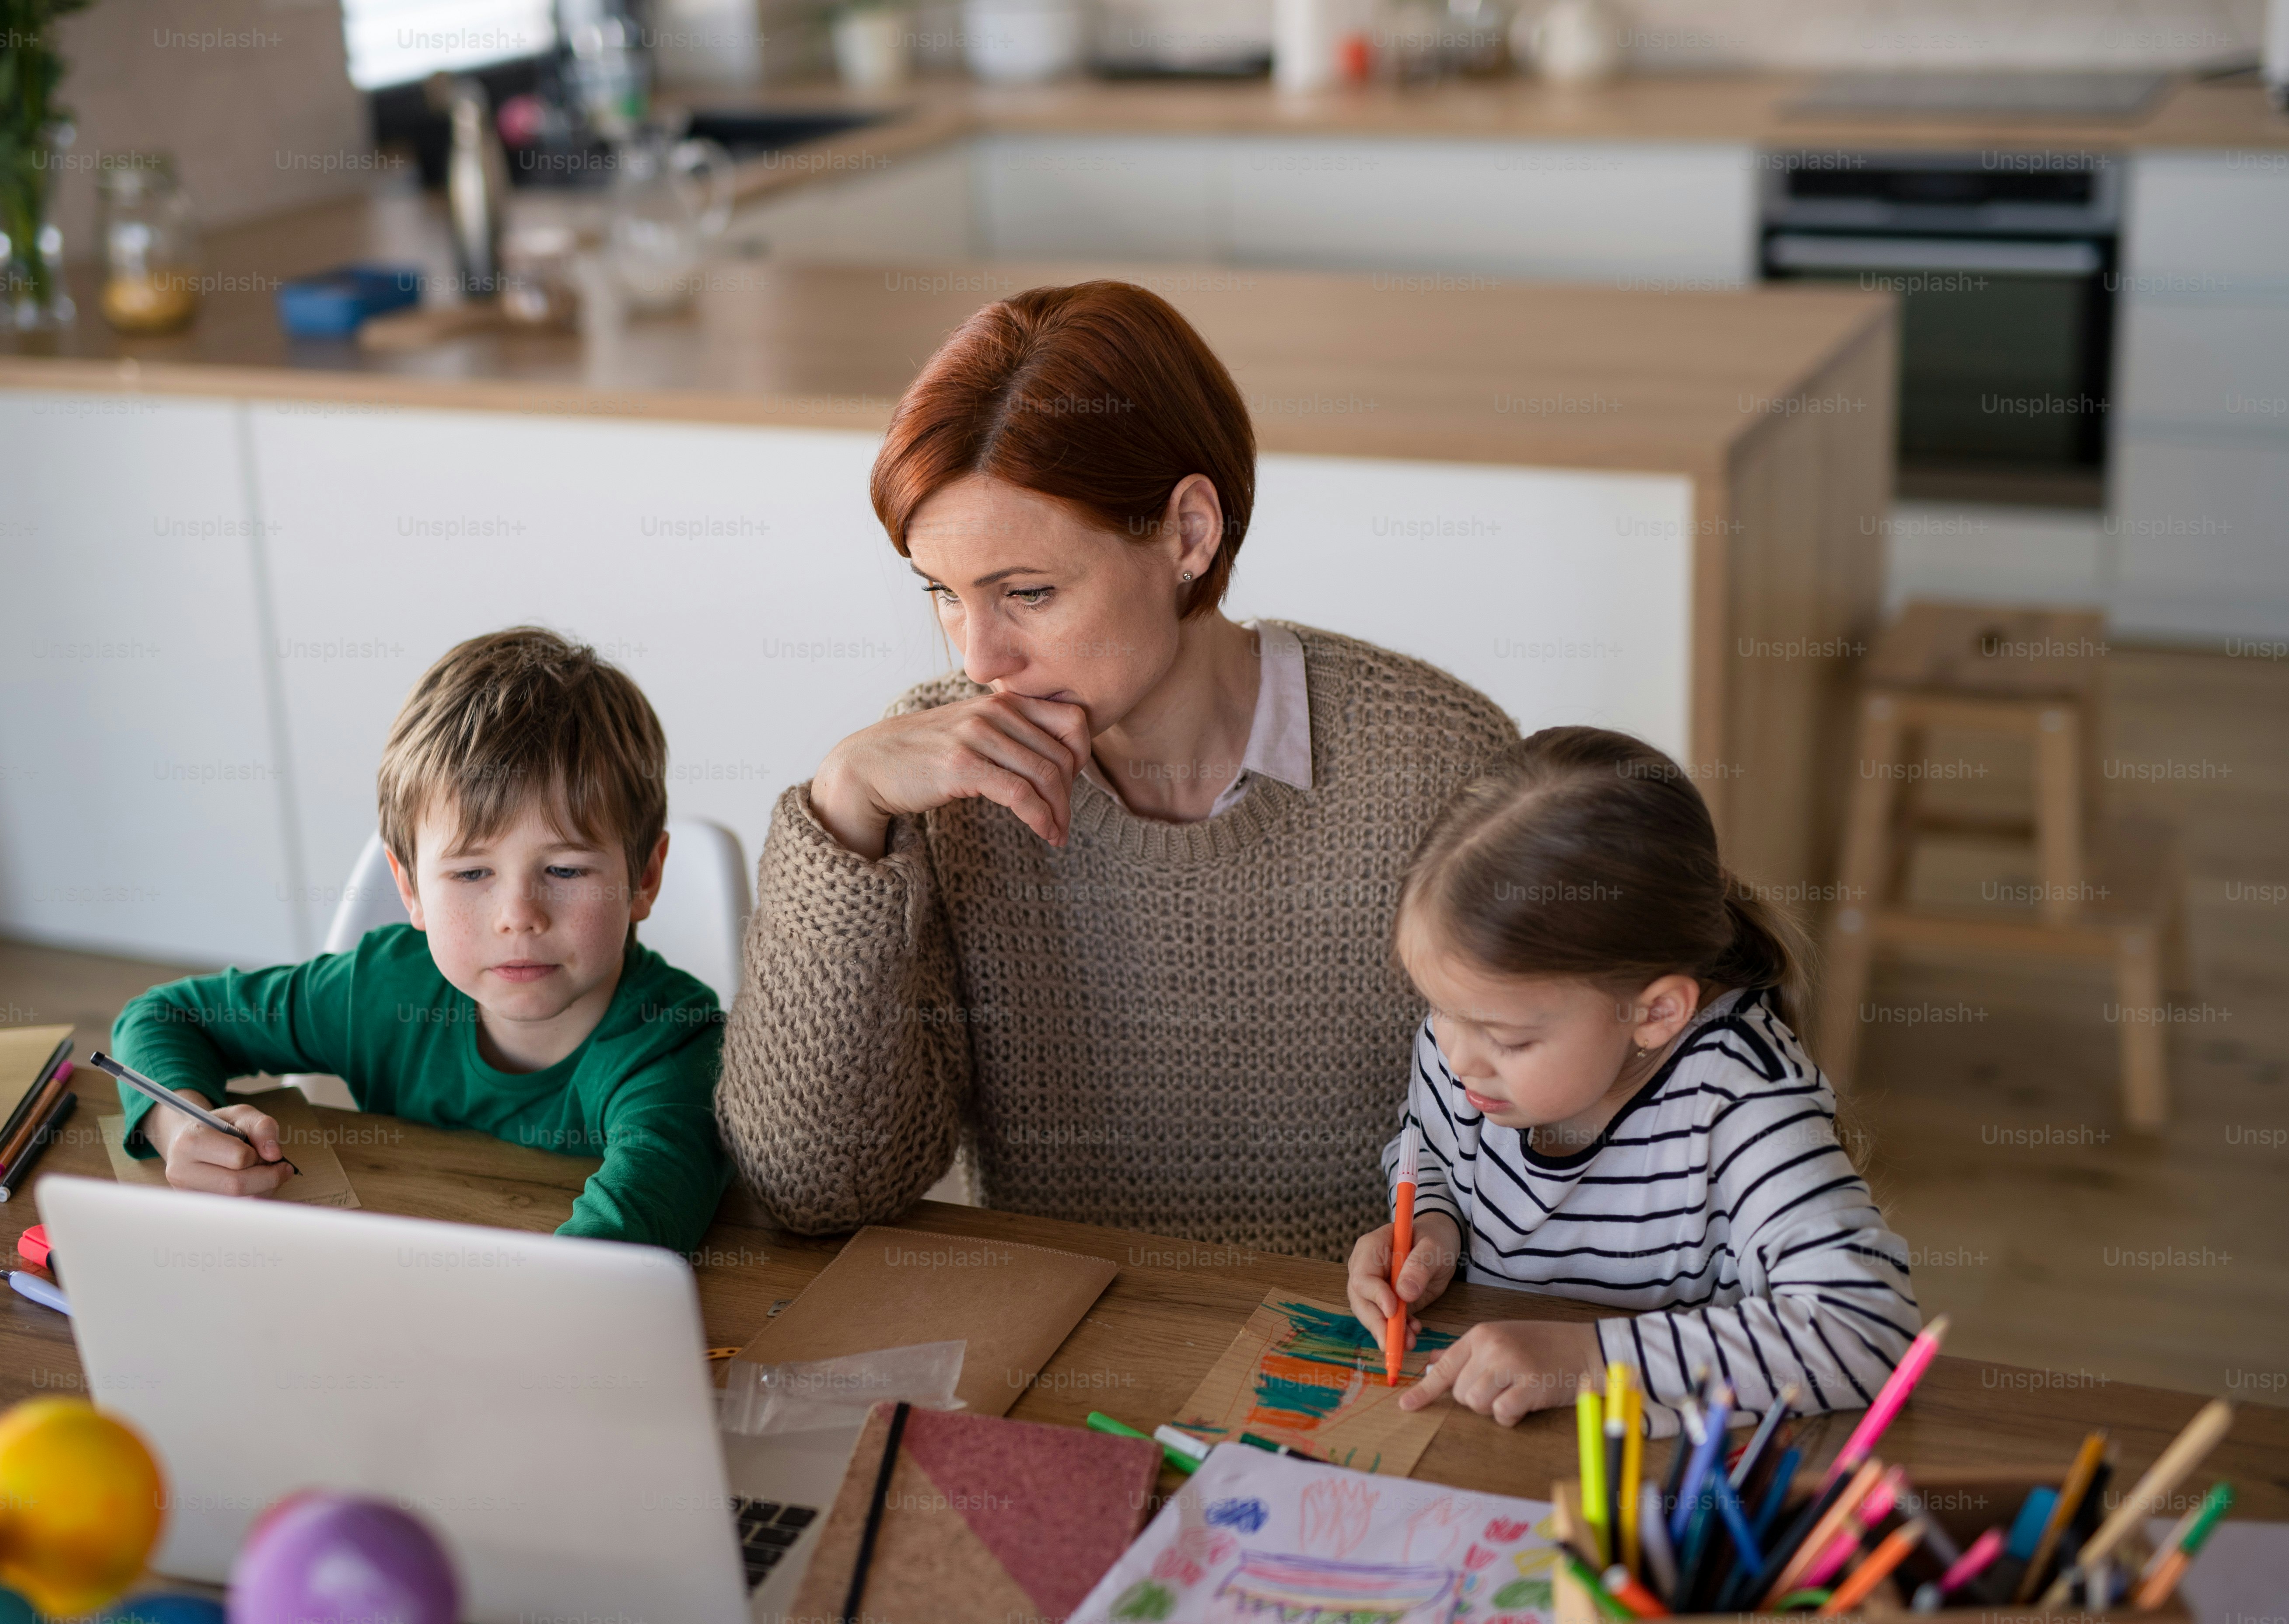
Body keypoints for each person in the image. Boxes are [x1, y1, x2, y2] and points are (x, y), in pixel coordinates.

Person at [718, 281, 1520, 1261]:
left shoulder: (1442, 762)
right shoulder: (938, 782)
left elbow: (1563, 1147)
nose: (980, 659)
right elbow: (815, 1185)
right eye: (945, 596)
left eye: (1030, 593)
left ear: (1188, 532)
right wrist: (842, 810)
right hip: (1071, 1364)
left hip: (1361, 1372)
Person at [1345, 726, 1921, 1432]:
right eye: (1438, 1009)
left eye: (1509, 1038)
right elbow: (1425, 1147)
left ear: (1653, 1012)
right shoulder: (1466, 1036)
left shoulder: (1740, 1102)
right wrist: (1433, 1227)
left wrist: (1586, 1361)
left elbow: (1868, 1330)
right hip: (1486, 1444)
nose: (1456, 1056)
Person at [112, 627, 728, 1251]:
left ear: (645, 877)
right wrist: (179, 1124)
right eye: (471, 873)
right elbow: (164, 1016)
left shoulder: (677, 1051)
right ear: (410, 889)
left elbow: (615, 1258)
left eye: (565, 870)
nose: (518, 916)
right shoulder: (382, 989)